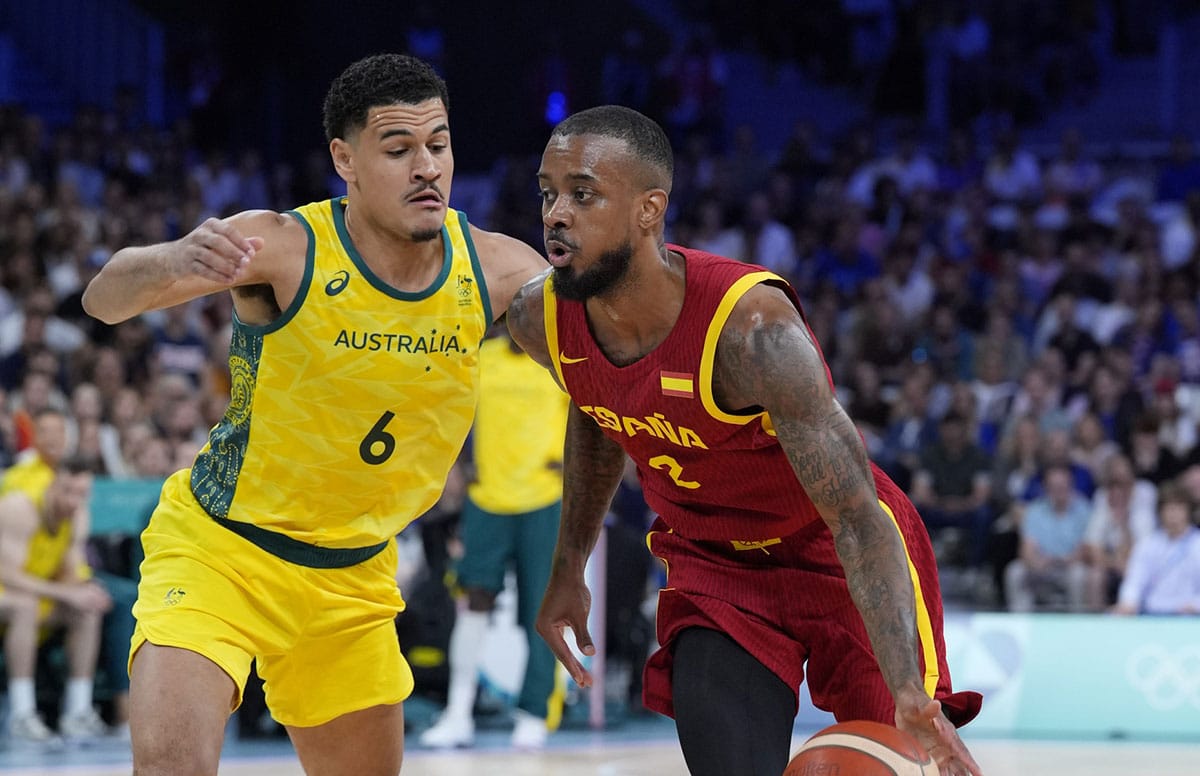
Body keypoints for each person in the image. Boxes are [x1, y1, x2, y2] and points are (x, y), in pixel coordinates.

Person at [80, 53, 546, 776]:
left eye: (439, 143)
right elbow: (103, 300)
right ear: (344, 159)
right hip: (221, 551)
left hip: (352, 576)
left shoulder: (499, 271)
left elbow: (614, 356)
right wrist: (174, 255)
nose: (427, 166)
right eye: (398, 149)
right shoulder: (283, 246)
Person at [506, 105, 983, 776]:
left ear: (649, 209)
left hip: (836, 552)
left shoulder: (751, 330)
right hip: (717, 571)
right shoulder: (539, 319)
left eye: (582, 194)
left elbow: (854, 517)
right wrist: (568, 569)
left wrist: (908, 688)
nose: (556, 213)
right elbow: (596, 409)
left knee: (885, 758)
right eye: (548, 192)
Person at [419, 324, 569, 750]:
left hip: (545, 500)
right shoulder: (482, 358)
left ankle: (534, 712)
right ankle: (458, 712)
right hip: (487, 498)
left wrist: (570, 465)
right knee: (473, 601)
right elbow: (458, 415)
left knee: (541, 610)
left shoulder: (557, 364)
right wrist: (461, 466)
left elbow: (588, 420)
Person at [0, 456, 112, 744]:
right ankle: (21, 715)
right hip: (8, 592)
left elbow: (72, 570)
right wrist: (67, 593)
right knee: (25, 606)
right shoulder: (20, 508)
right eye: (67, 491)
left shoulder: (77, 516)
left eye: (81, 494)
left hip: (34, 594)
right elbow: (7, 575)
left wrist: (87, 588)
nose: (74, 501)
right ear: (52, 487)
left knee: (87, 610)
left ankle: (78, 712)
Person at [1112, 482, 1200, 615]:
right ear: (1160, 512)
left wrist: (1195, 605)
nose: (1173, 514)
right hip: (1152, 614)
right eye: (1169, 509)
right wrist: (1128, 602)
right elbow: (1135, 579)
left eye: (1178, 508)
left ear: (1188, 511)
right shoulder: (1148, 544)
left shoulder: (1197, 544)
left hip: (1189, 615)